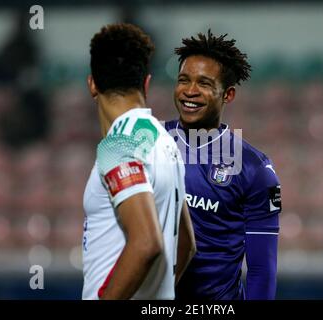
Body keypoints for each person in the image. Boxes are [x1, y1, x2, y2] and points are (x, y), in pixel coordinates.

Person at [165, 30, 281, 300]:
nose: (190, 91)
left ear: (227, 95)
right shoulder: (150, 144)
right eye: (184, 80)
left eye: (204, 83)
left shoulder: (256, 170)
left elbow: (262, 270)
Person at [82, 23, 196, 300]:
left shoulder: (117, 146)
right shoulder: (166, 142)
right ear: (146, 82)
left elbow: (146, 243)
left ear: (92, 84)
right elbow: (187, 245)